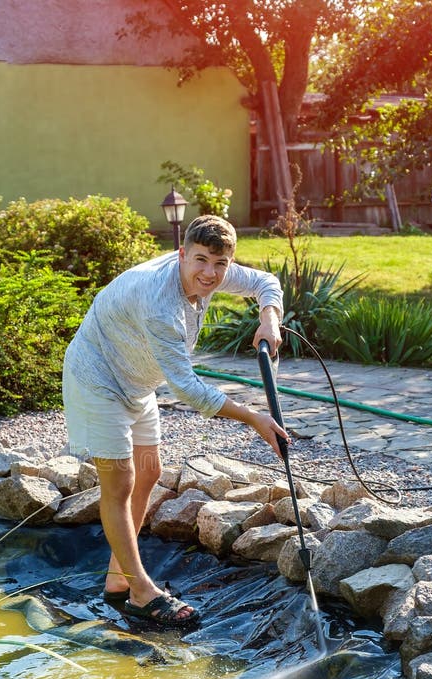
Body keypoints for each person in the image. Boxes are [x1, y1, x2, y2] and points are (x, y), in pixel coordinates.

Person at [63, 214, 286, 628]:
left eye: (220, 264)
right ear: (181, 254)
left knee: (150, 473)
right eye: (200, 261)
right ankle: (142, 592)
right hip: (96, 379)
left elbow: (265, 284)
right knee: (121, 481)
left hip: (135, 380)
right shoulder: (159, 305)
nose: (210, 273)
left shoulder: (212, 270)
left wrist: (269, 318)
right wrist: (253, 417)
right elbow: (187, 389)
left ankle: (118, 580)